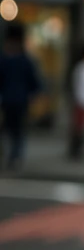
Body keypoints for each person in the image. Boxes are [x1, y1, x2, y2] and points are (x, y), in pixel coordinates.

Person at [0, 24, 42, 169]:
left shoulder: (10, 60)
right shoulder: (23, 61)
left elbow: (35, 83)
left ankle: (14, 156)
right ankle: (14, 156)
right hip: (15, 100)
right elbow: (36, 83)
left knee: (14, 130)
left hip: (12, 100)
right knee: (15, 130)